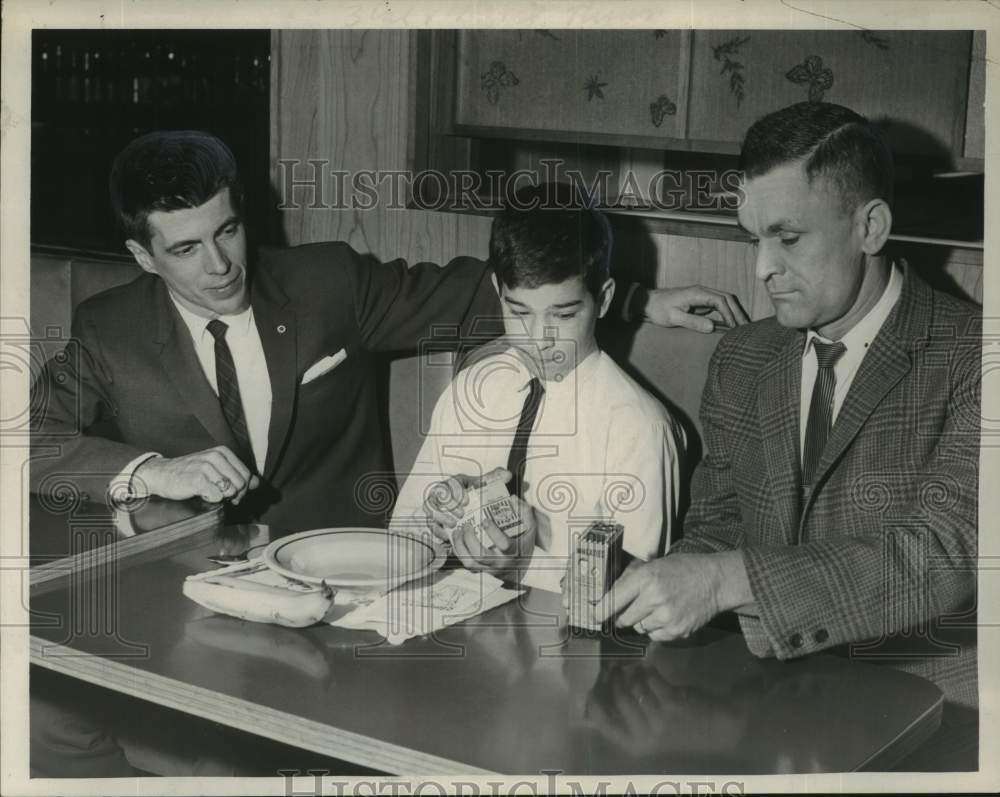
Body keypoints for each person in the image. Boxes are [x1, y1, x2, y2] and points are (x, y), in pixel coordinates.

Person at [28, 130, 747, 777]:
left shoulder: (325, 284)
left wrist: (641, 301)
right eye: (185, 248)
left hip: (352, 608)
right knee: (40, 717)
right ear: (140, 255)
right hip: (204, 604)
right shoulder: (109, 328)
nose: (220, 265)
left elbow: (497, 291)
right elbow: (27, 436)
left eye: (228, 231)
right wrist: (152, 470)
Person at [591, 102, 981, 769]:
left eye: (788, 237)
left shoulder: (975, 357)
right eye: (753, 240)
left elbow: (940, 558)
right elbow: (718, 523)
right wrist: (664, 586)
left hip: (928, 723)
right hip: (764, 706)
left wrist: (719, 581)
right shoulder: (743, 358)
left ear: (870, 226)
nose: (762, 268)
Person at [393, 184, 685, 590]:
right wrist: (434, 523)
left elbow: (635, 598)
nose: (538, 339)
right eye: (519, 312)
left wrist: (525, 562)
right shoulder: (471, 390)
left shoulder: (639, 429)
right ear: (498, 292)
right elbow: (400, 536)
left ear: (603, 299)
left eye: (563, 315)